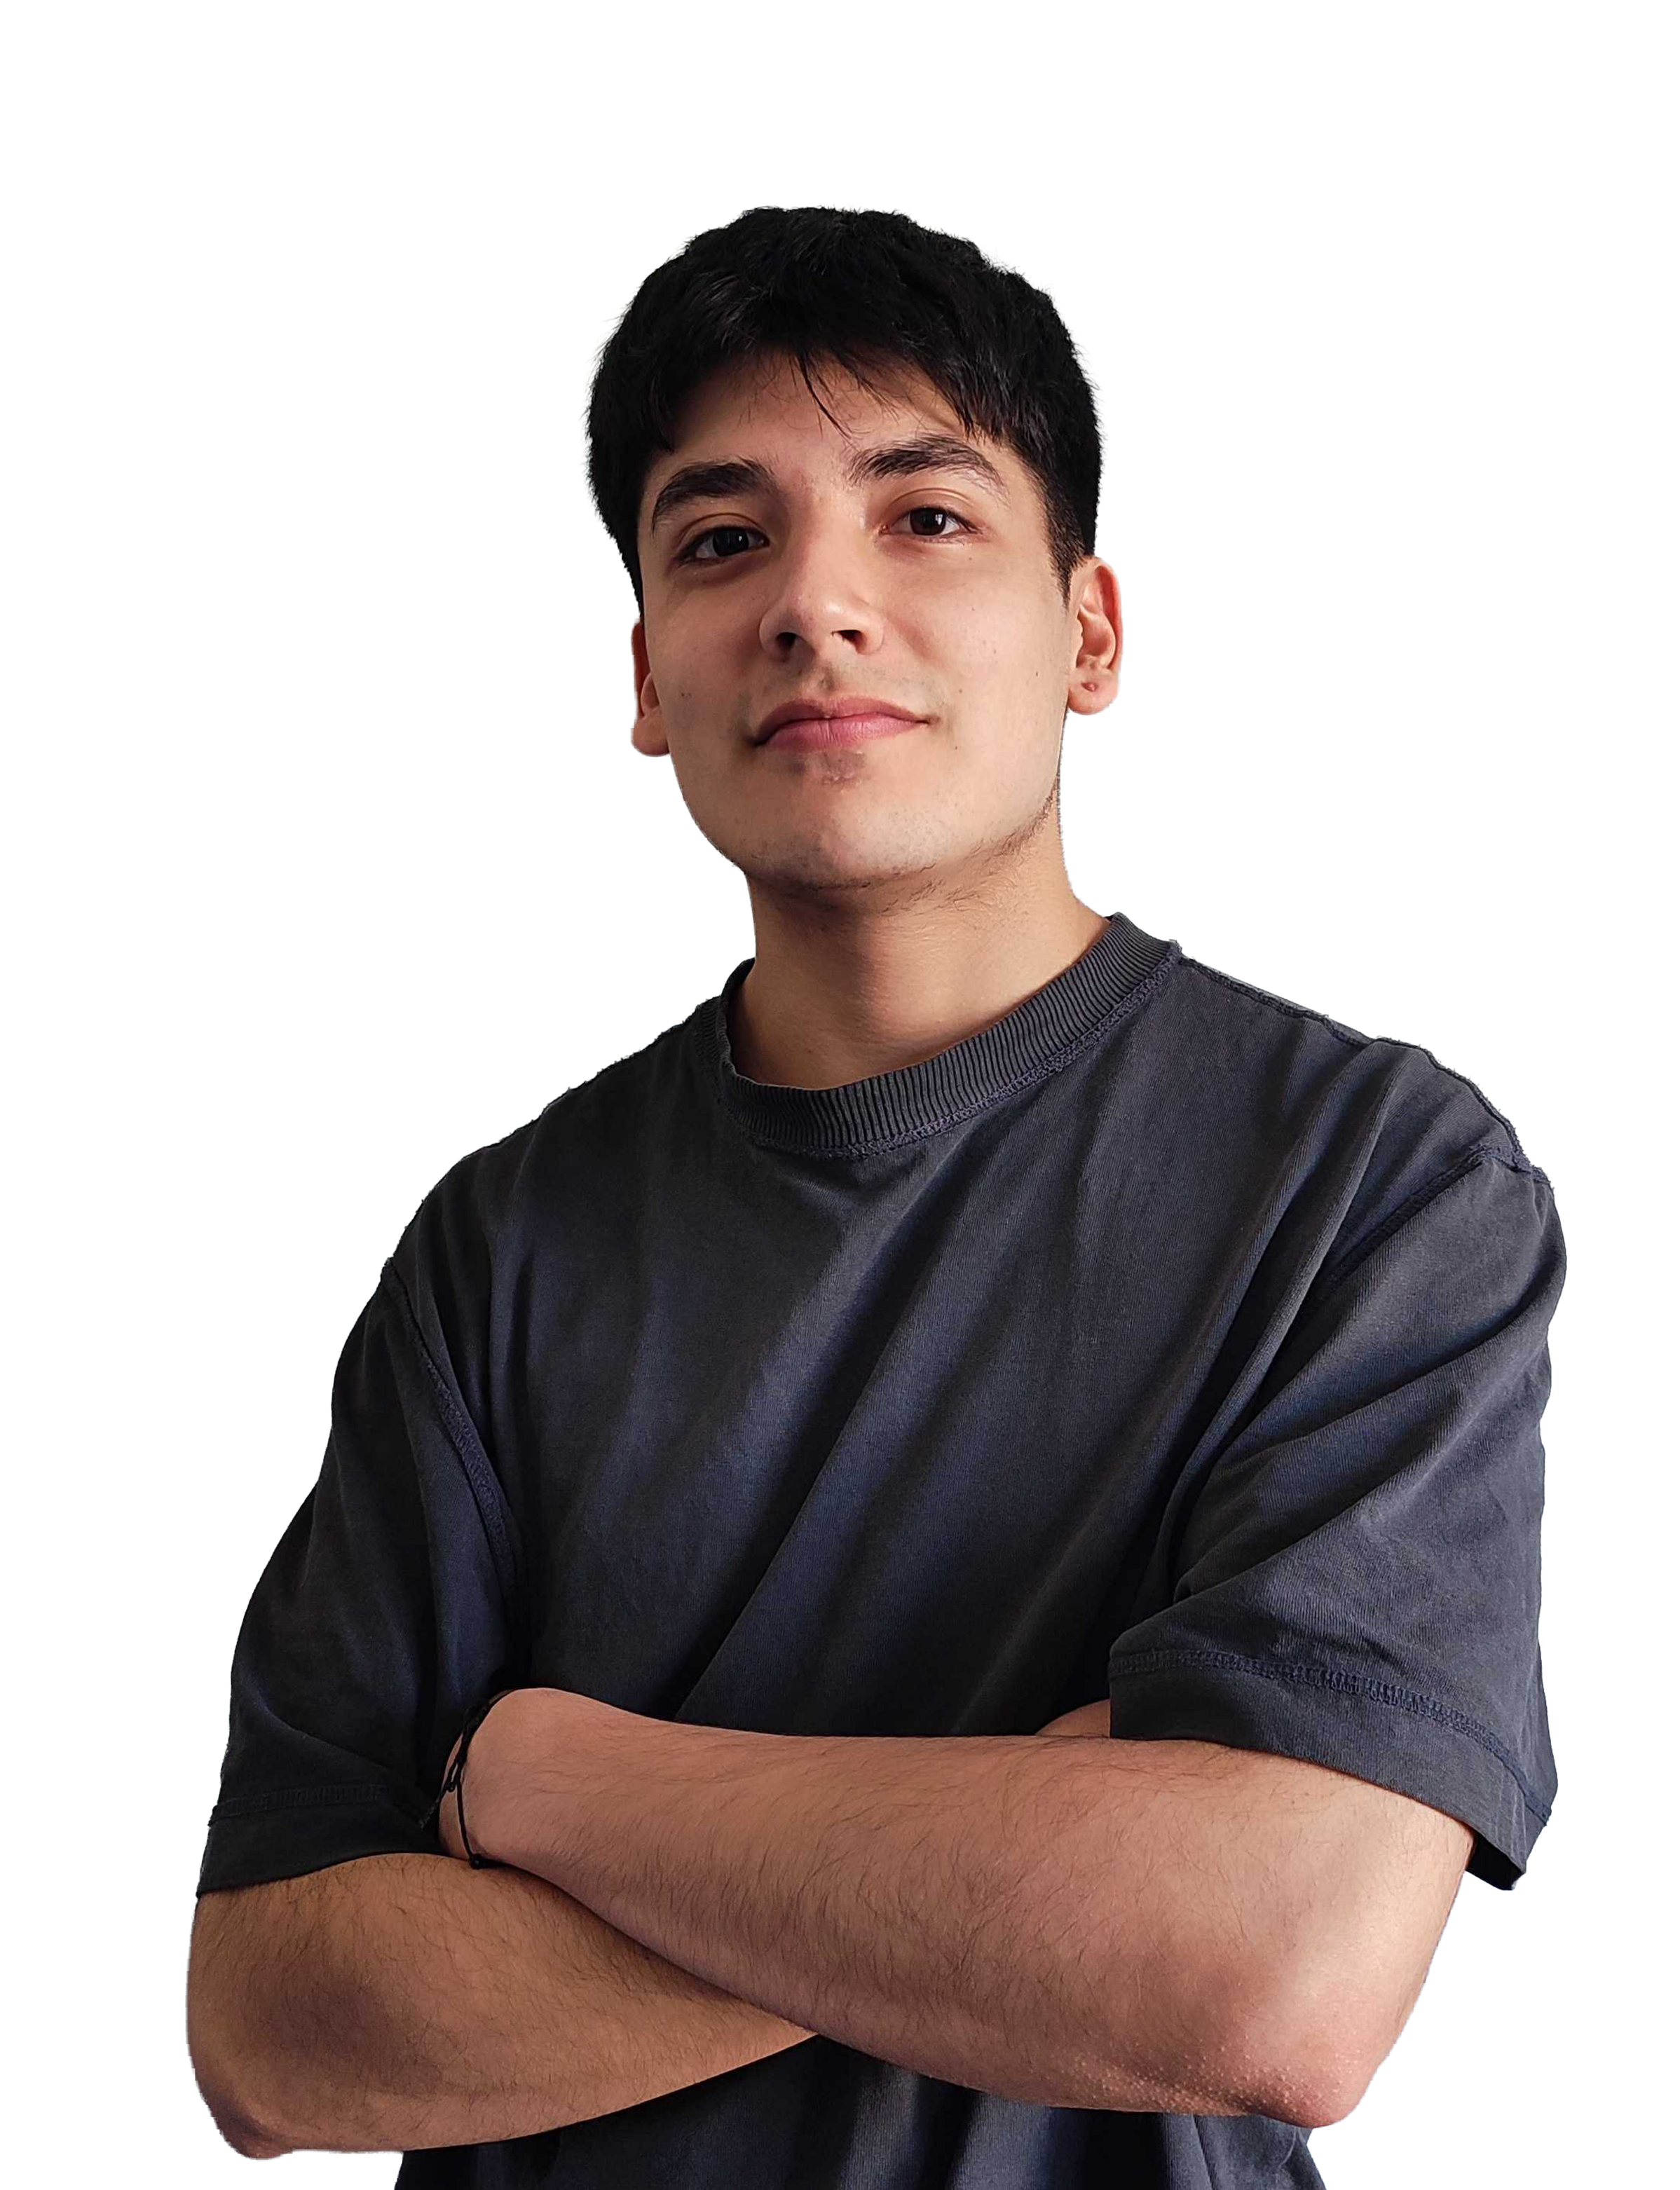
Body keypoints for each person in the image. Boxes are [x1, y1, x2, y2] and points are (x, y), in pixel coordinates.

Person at [186, 206, 1565, 2188]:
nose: (816, 605)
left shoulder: (1366, 1182)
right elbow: (274, 2030)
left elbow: (1264, 1974)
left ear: (1090, 632)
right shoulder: (504, 1252)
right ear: (646, 672)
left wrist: (555, 1782)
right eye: (719, 541)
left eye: (924, 518)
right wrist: (1034, 1860)